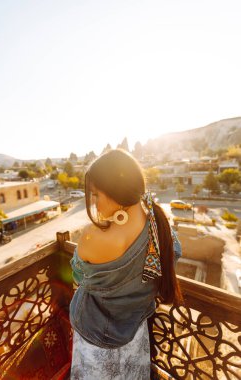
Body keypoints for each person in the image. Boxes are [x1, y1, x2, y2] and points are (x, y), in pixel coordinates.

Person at [69, 149, 182, 380]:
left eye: (96, 195)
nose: (94, 203)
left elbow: (78, 276)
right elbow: (176, 252)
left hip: (96, 337)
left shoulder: (94, 236)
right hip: (134, 330)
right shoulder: (156, 219)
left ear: (115, 191)